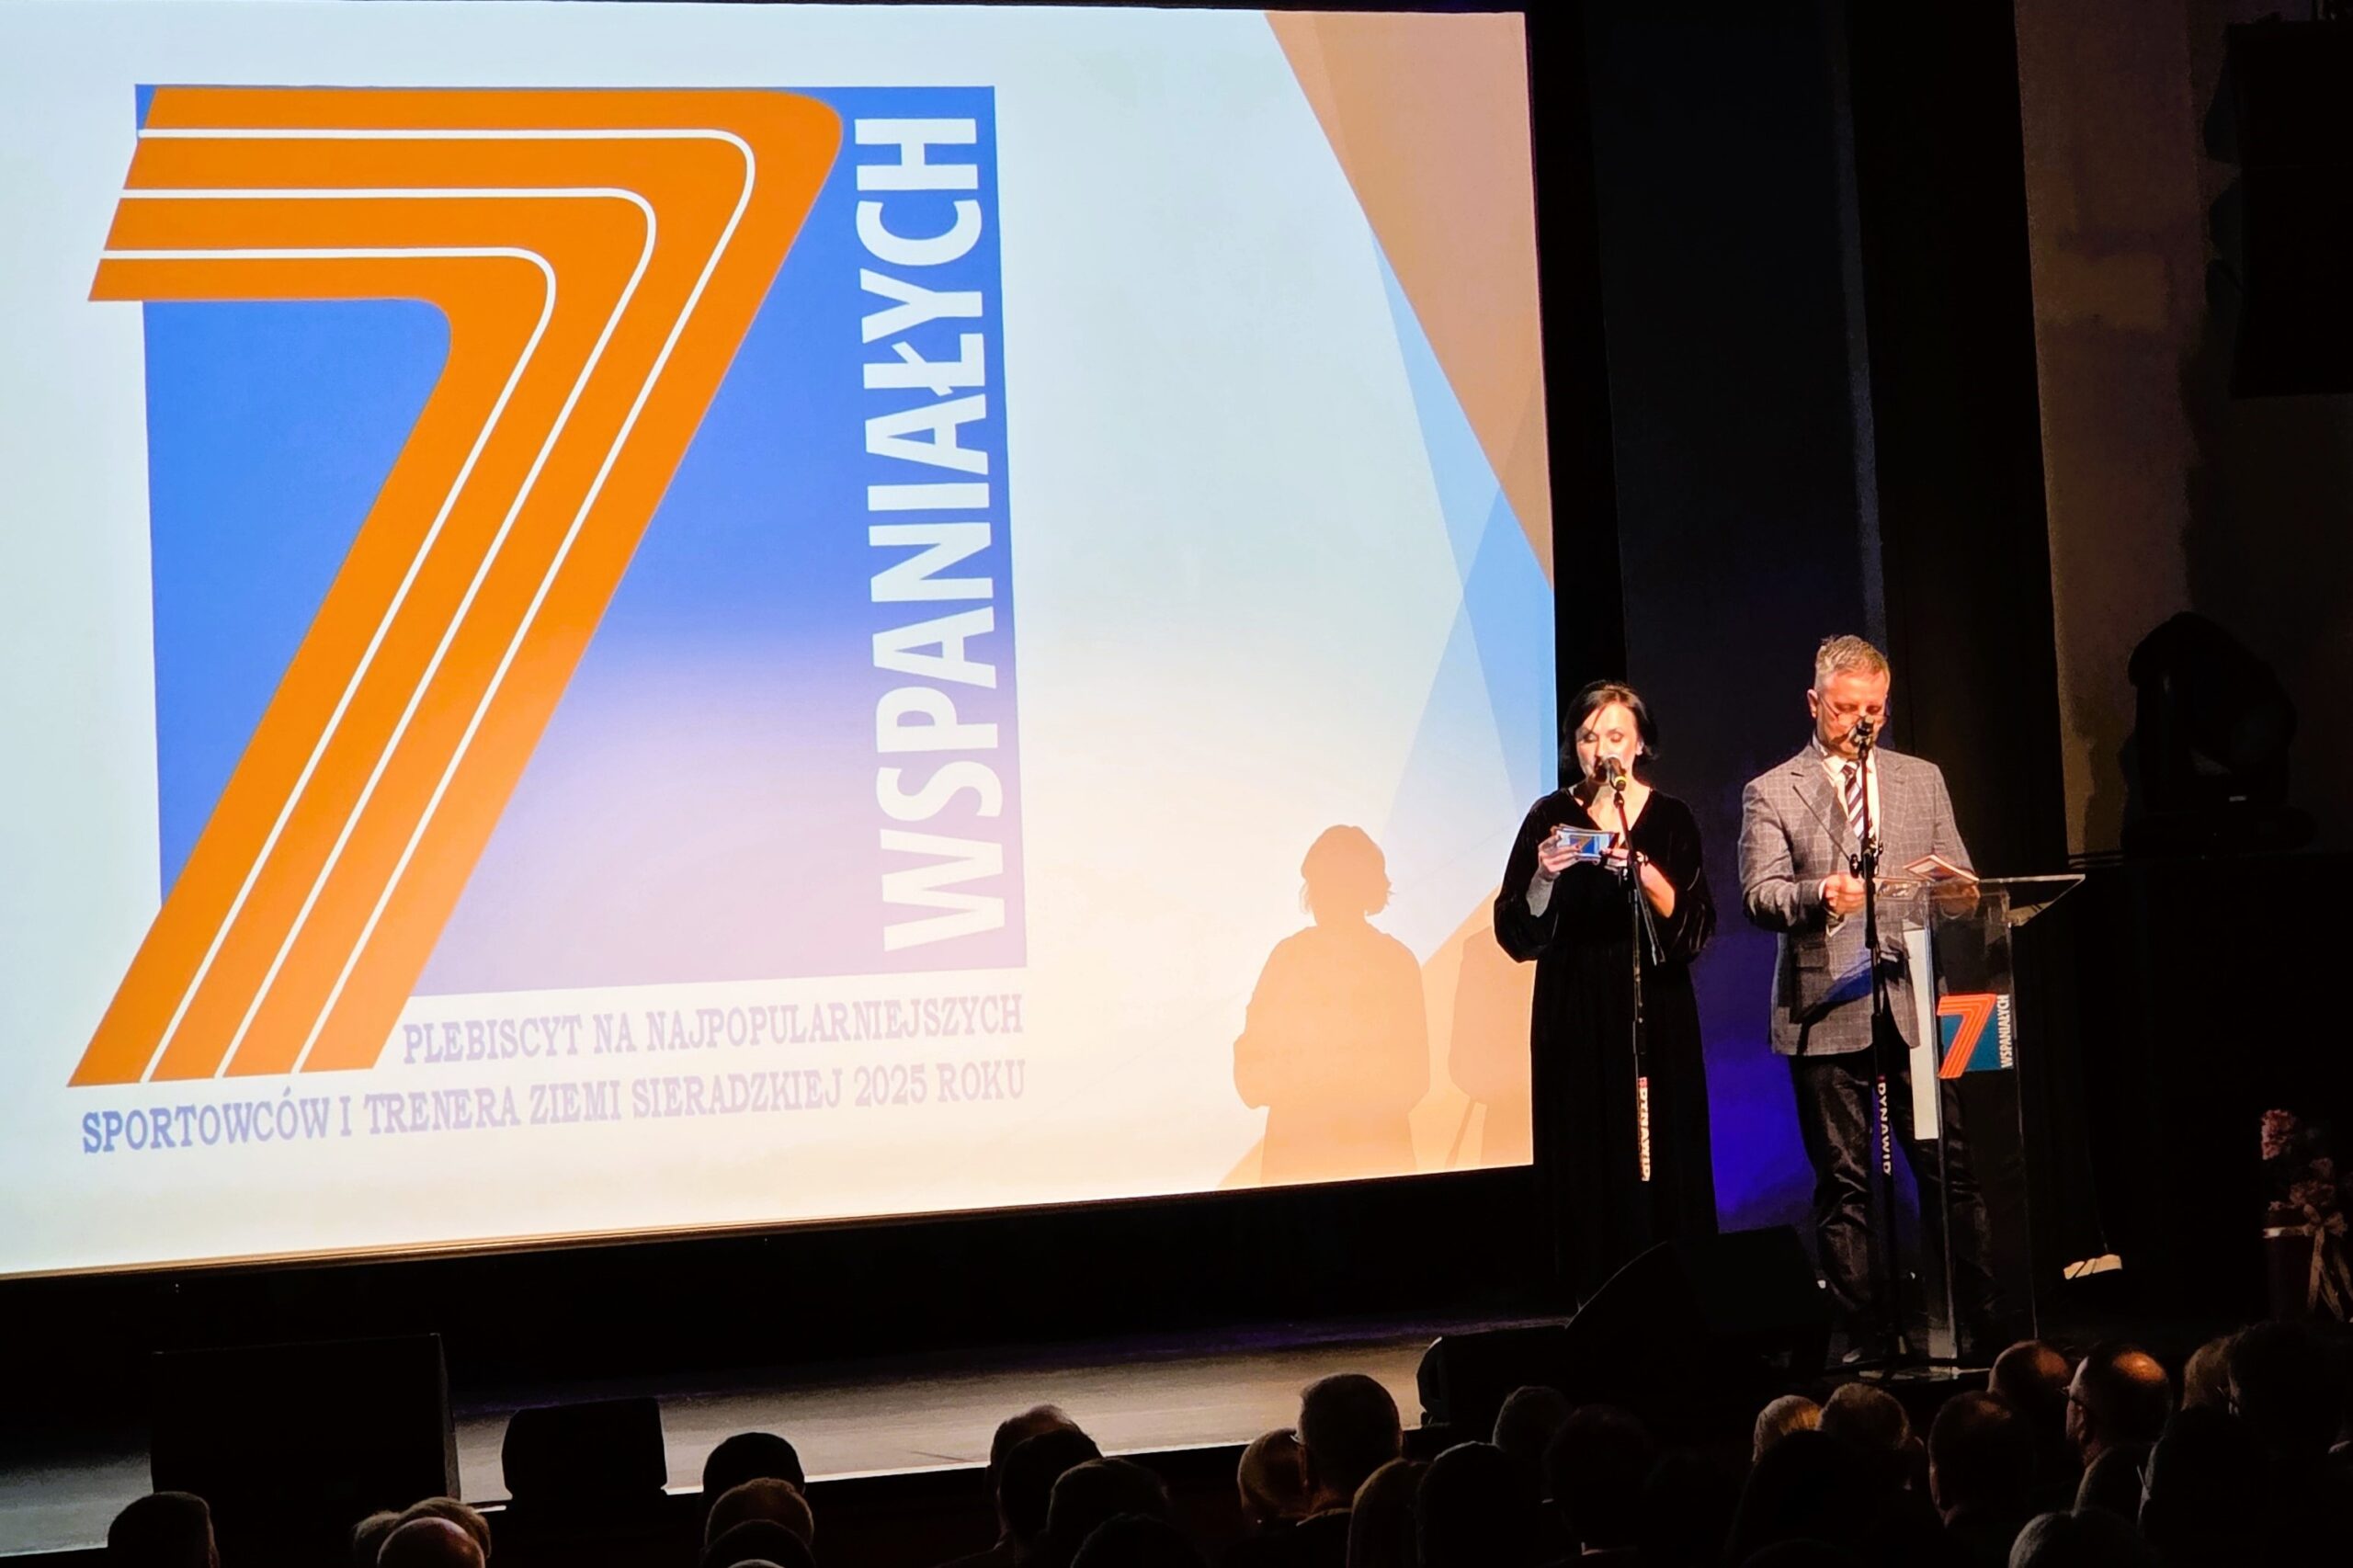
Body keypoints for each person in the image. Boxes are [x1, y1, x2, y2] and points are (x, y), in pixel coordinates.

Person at [1738, 634, 1996, 1359]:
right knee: (1847, 1182)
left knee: (1949, 1169)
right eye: (1845, 708)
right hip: (1825, 1003)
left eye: (1873, 710)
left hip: (1911, 999)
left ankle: (1983, 1319)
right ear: (1814, 702)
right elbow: (1760, 895)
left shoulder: (1921, 779)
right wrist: (1822, 893)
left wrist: (1961, 894)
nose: (1860, 722)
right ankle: (1867, 1335)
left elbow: (1961, 881)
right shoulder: (1774, 789)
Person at [1495, 680, 1718, 1294]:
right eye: (1589, 738)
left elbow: (1698, 926)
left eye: (1616, 736)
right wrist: (1543, 875)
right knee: (1585, 1151)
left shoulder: (1670, 818)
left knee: (1661, 1151)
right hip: (1574, 1007)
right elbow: (1515, 931)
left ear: (1640, 743)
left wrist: (1643, 872)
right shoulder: (1548, 816)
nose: (1602, 750)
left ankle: (1675, 1292)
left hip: (1656, 1006)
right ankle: (1589, 1296)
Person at [1234, 826, 1430, 1186]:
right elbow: (1252, 1067)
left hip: (1326, 1159)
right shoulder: (1395, 960)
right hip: (1357, 1157)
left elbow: (1252, 1069)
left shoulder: (1290, 958)